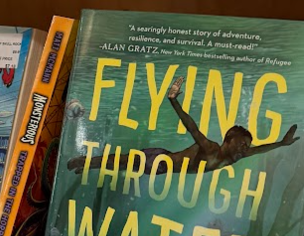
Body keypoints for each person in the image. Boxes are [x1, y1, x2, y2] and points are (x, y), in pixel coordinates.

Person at [68, 75, 298, 176]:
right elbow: (192, 128)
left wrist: (282, 143)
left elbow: (259, 150)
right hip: (159, 160)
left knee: (122, 165)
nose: (245, 150)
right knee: (122, 162)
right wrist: (173, 100)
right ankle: (85, 162)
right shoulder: (211, 148)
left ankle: (89, 165)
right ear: (228, 141)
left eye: (246, 147)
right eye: (241, 145)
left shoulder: (232, 157)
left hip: (162, 168)